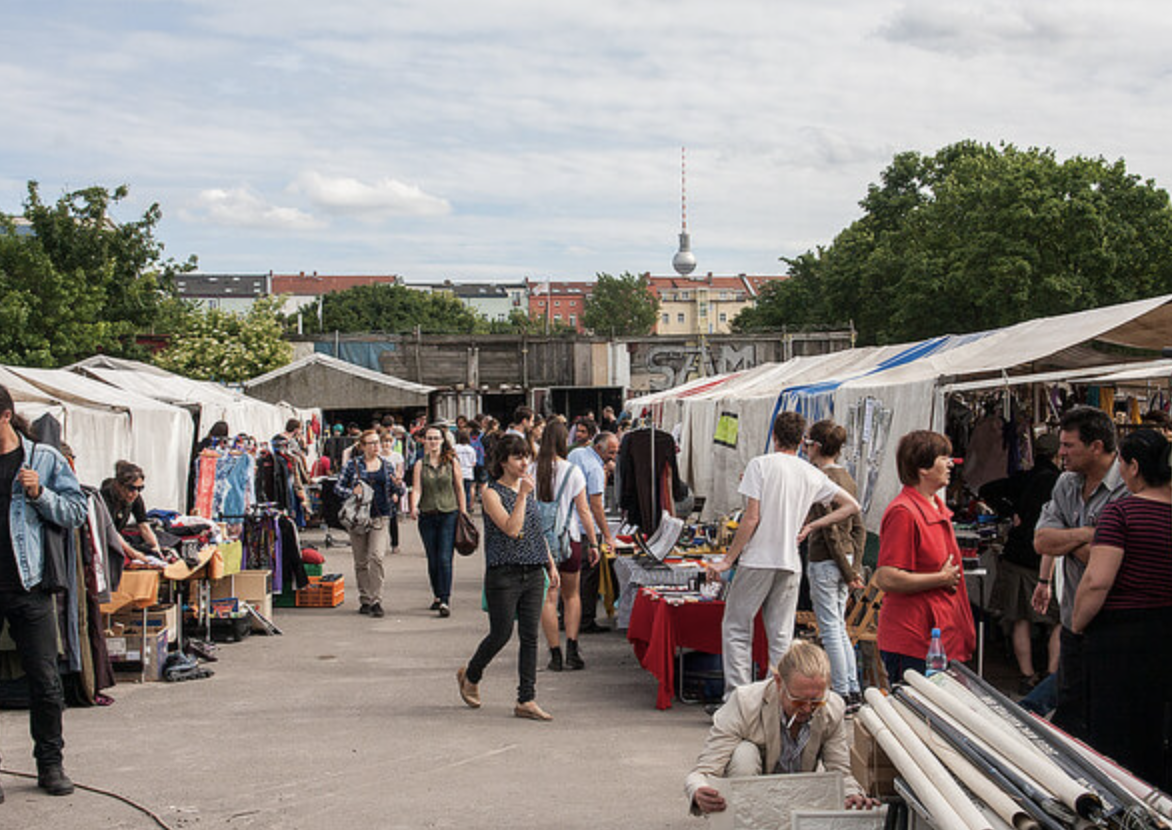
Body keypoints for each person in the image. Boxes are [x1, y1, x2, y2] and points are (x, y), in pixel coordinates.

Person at [709, 412, 861, 697]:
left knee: (737, 627)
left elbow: (751, 519)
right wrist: (813, 524)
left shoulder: (760, 465)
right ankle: (775, 697)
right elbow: (852, 505)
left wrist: (728, 559)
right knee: (780, 635)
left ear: (775, 436)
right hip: (790, 562)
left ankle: (738, 697)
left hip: (758, 558)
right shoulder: (810, 473)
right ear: (801, 440)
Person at [0, 383, 88, 799]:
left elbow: (77, 511)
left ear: (5, 416)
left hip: (28, 584)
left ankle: (50, 765)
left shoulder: (43, 459)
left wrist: (39, 493)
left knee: (45, 680)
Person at [1071, 428, 1172, 789]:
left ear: (1133, 466)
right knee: (1156, 731)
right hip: (1166, 632)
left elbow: (1097, 580)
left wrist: (1078, 622)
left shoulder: (1121, 513)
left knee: (1116, 738)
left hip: (1121, 637)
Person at [685, 641, 877, 816]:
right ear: (778, 683)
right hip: (750, 792)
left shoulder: (832, 707)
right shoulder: (745, 702)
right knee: (744, 754)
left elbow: (840, 771)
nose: (807, 708)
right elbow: (704, 770)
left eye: (816, 701)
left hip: (797, 796)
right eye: (798, 700)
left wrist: (853, 794)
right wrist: (699, 791)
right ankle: (742, 818)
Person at [1032, 405, 1126, 740]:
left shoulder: (1127, 488)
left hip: (1113, 624)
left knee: (1107, 718)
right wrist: (1089, 534)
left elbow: (1109, 563)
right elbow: (1042, 540)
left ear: (1096, 447)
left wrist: (1067, 540)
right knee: (1070, 712)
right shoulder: (1066, 483)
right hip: (1073, 621)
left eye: (1069, 445)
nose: (1061, 453)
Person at [456, 433, 561, 721]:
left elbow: (535, 529)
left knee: (530, 636)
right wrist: (523, 496)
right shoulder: (492, 493)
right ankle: (472, 674)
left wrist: (549, 563)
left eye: (526, 455)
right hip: (504, 572)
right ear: (503, 462)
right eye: (517, 456)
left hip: (533, 570)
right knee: (501, 633)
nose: (524, 461)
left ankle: (526, 699)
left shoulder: (526, 489)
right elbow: (512, 529)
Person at [875, 430, 975, 684]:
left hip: (938, 638)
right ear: (923, 467)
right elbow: (887, 577)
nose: (951, 464)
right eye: (944, 457)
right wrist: (940, 578)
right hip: (914, 641)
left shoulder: (935, 507)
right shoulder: (904, 512)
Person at [979, 433, 1062, 693]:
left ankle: (1027, 675)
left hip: (1018, 555)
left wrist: (1010, 511)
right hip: (1049, 558)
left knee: (1020, 618)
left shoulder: (1024, 478)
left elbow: (987, 490)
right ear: (1057, 454)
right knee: (1059, 620)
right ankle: (1052, 675)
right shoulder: (1064, 482)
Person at [802, 420, 866, 709]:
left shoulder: (822, 480)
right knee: (839, 626)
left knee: (829, 627)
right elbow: (858, 528)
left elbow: (830, 533)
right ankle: (852, 686)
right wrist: (855, 564)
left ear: (816, 446)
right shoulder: (848, 478)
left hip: (828, 560)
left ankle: (842, 690)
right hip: (846, 559)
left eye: (807, 444)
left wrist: (848, 570)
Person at [534, 421, 599, 671]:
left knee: (547, 599)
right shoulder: (572, 471)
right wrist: (593, 542)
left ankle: (555, 655)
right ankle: (572, 648)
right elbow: (584, 510)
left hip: (540, 543)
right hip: (569, 539)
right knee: (571, 596)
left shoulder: (532, 469)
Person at [336, 430, 405, 618]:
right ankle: (365, 599)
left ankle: (376, 600)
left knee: (376, 557)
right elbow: (338, 487)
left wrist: (398, 486)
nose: (376, 446)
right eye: (372, 443)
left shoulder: (387, 465)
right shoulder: (352, 465)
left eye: (378, 442)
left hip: (380, 516)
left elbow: (399, 489)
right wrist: (353, 491)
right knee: (361, 561)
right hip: (358, 518)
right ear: (362, 446)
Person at [410, 423, 466, 618]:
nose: (432, 442)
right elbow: (417, 488)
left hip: (448, 513)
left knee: (444, 558)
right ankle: (437, 594)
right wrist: (413, 506)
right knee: (432, 559)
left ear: (443, 441)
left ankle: (445, 599)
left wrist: (463, 512)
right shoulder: (420, 464)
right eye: (429, 438)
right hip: (427, 514)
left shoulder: (451, 462)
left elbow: (459, 487)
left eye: (436, 438)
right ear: (423, 441)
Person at [568, 431, 620, 633]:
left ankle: (567, 616)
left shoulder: (577, 454)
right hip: (585, 528)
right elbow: (596, 506)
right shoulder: (595, 469)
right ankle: (585, 620)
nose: (613, 457)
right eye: (612, 452)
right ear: (600, 449)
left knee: (572, 575)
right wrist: (606, 536)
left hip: (570, 526)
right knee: (589, 576)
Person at [100, 461, 170, 567]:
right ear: (119, 486)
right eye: (131, 488)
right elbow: (111, 531)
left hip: (118, 535)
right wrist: (133, 553)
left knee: (163, 538)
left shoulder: (135, 497)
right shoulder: (105, 498)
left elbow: (143, 525)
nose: (135, 493)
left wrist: (156, 548)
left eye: (140, 488)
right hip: (105, 537)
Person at [454, 429, 478, 512]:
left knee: (457, 490)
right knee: (467, 491)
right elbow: (474, 462)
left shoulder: (455, 448)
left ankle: (458, 506)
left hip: (457, 471)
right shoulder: (471, 449)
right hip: (468, 472)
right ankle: (467, 506)